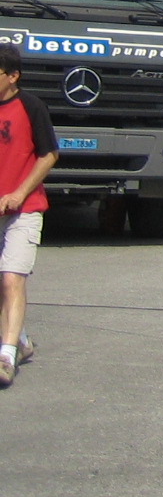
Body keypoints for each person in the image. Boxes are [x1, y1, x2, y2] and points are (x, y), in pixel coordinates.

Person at [0, 42, 56, 388]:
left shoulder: (30, 106)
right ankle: (20, 339)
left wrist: (19, 193)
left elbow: (49, 154)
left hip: (25, 208)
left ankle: (6, 355)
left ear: (13, 76)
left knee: (10, 278)